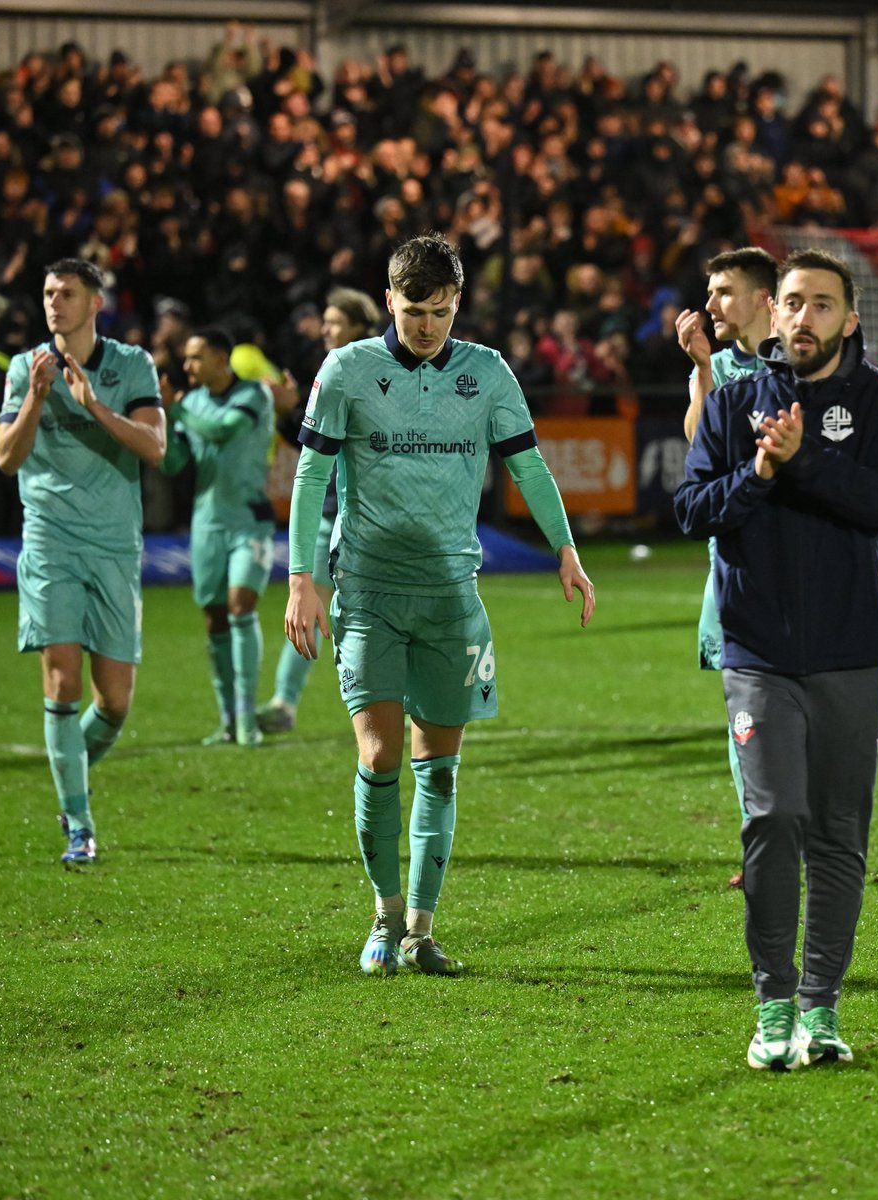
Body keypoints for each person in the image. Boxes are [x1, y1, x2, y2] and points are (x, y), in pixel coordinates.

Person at [285, 234, 595, 977]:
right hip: (367, 590)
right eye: (416, 310)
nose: (429, 326)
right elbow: (308, 479)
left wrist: (565, 546)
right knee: (380, 754)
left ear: (460, 304)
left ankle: (422, 930)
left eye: (443, 311)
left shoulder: (486, 374)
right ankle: (383, 918)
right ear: (389, 298)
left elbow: (529, 464)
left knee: (443, 768)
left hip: (453, 596)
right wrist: (303, 578)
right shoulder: (348, 371)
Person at [674, 248, 878, 1070]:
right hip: (759, 652)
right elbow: (691, 509)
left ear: (850, 319)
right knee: (772, 819)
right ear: (771, 314)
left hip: (853, 653)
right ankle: (772, 1004)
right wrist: (759, 471)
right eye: (791, 303)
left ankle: (821, 1009)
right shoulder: (734, 400)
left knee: (839, 835)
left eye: (822, 304)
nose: (803, 317)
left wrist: (803, 460)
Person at [0, 257, 166, 865]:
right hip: (49, 541)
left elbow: (155, 446)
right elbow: (7, 459)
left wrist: (92, 405)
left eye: (66, 293)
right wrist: (39, 398)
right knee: (63, 680)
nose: (53, 303)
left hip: (114, 544)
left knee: (115, 701)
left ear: (96, 303)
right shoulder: (25, 368)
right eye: (47, 293)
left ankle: (69, 777)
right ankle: (80, 826)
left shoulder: (132, 365)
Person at [674, 246, 778, 889]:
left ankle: (806, 832)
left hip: (792, 566)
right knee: (741, 711)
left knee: (804, 707)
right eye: (708, 292)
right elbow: (698, 447)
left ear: (764, 298)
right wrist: (706, 372)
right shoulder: (713, 368)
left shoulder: (799, 367)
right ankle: (761, 843)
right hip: (729, 566)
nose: (709, 305)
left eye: (723, 292)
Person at [258, 287, 381, 734]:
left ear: (358, 326)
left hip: (371, 515)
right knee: (311, 604)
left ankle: (396, 704)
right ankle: (284, 703)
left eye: (333, 322)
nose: (325, 329)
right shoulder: (331, 371)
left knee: (375, 613)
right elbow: (319, 446)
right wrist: (291, 415)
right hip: (333, 509)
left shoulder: (373, 372)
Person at [159, 326, 283, 747]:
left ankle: (249, 717)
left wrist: (174, 411)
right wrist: (163, 432)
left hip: (249, 521)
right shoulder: (190, 403)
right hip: (206, 523)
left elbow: (223, 430)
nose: (188, 366)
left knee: (239, 605)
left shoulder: (253, 396)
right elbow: (175, 463)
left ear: (220, 358)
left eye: (195, 357)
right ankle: (228, 719)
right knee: (214, 617)